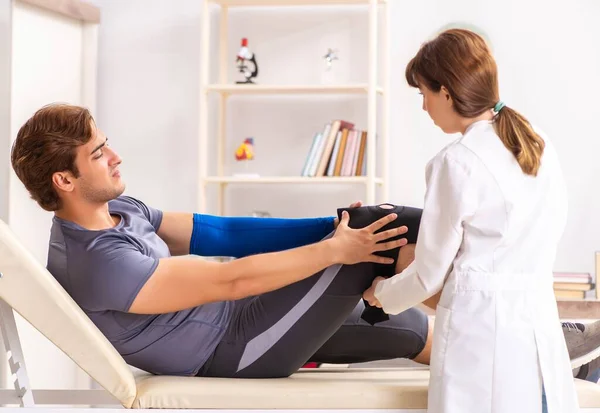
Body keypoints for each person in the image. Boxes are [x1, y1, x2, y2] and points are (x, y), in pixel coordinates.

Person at [9, 104, 600, 385]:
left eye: (107, 142)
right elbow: (229, 279)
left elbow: (223, 233)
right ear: (64, 181)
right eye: (98, 153)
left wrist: (328, 225)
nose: (115, 155)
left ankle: (570, 369)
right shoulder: (99, 264)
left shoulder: (120, 212)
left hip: (242, 319)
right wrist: (338, 248)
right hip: (235, 349)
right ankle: (537, 332)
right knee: (380, 228)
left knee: (407, 328)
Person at [361, 29, 584, 413]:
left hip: (481, 330)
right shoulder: (538, 143)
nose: (424, 106)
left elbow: (429, 274)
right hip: (536, 318)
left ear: (446, 93)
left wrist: (382, 294)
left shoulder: (456, 162)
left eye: (424, 94)